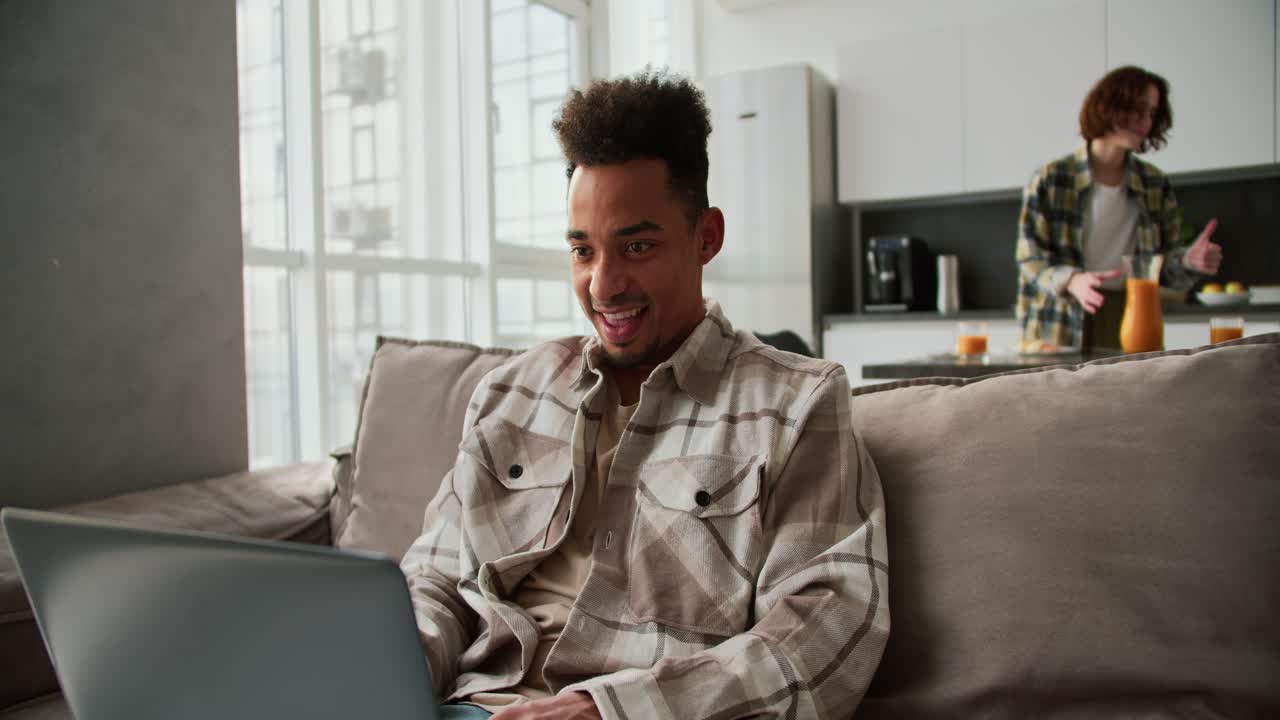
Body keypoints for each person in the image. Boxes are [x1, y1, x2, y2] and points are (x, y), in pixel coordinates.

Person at [398, 70, 889, 720]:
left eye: (637, 245)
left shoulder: (797, 405)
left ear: (706, 237)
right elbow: (434, 580)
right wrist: (386, 668)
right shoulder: (509, 393)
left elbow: (822, 634)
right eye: (583, 251)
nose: (604, 286)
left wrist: (607, 711)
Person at [1015, 65, 1223, 350]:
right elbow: (1030, 259)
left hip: (1130, 312)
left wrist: (1188, 260)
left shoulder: (1154, 183)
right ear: (1108, 107)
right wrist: (1073, 281)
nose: (1145, 121)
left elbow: (1164, 268)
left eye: (1151, 113)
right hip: (1059, 320)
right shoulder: (1052, 179)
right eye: (1137, 110)